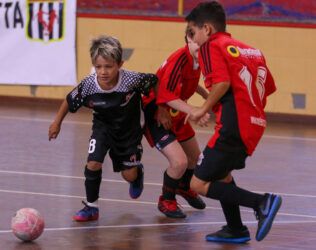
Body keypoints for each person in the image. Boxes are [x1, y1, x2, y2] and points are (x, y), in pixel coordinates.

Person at [185, 1, 282, 243]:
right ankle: (236, 228)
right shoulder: (251, 50)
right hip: (255, 123)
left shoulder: (211, 46)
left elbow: (223, 83)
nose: (194, 40)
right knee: (222, 175)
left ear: (206, 29)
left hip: (233, 124)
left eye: (193, 33)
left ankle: (262, 202)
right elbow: (267, 88)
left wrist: (202, 109)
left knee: (198, 183)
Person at [48, 35, 159, 221]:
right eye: (98, 67)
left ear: (120, 64)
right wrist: (56, 123)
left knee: (128, 175)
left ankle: (137, 174)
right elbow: (69, 100)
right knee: (93, 163)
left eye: (109, 66)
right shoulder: (90, 84)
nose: (103, 72)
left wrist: (162, 109)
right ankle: (92, 207)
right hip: (102, 128)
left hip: (128, 132)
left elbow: (155, 81)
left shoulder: (132, 80)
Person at [143, 34, 210, 218]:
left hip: (176, 112)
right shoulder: (178, 60)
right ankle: (166, 200)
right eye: (197, 41)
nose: (202, 45)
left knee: (195, 159)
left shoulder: (199, 59)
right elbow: (160, 86)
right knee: (179, 162)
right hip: (158, 113)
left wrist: (205, 95)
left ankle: (183, 186)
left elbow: (190, 81)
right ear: (188, 38)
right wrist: (190, 110)